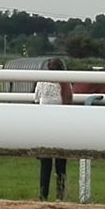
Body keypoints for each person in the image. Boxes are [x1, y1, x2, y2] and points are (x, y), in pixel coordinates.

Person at [34, 57, 69, 200]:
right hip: (60, 127)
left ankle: (43, 195)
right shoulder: (65, 84)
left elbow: (36, 100)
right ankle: (60, 195)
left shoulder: (41, 82)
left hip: (44, 127)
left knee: (45, 164)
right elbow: (68, 102)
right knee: (60, 165)